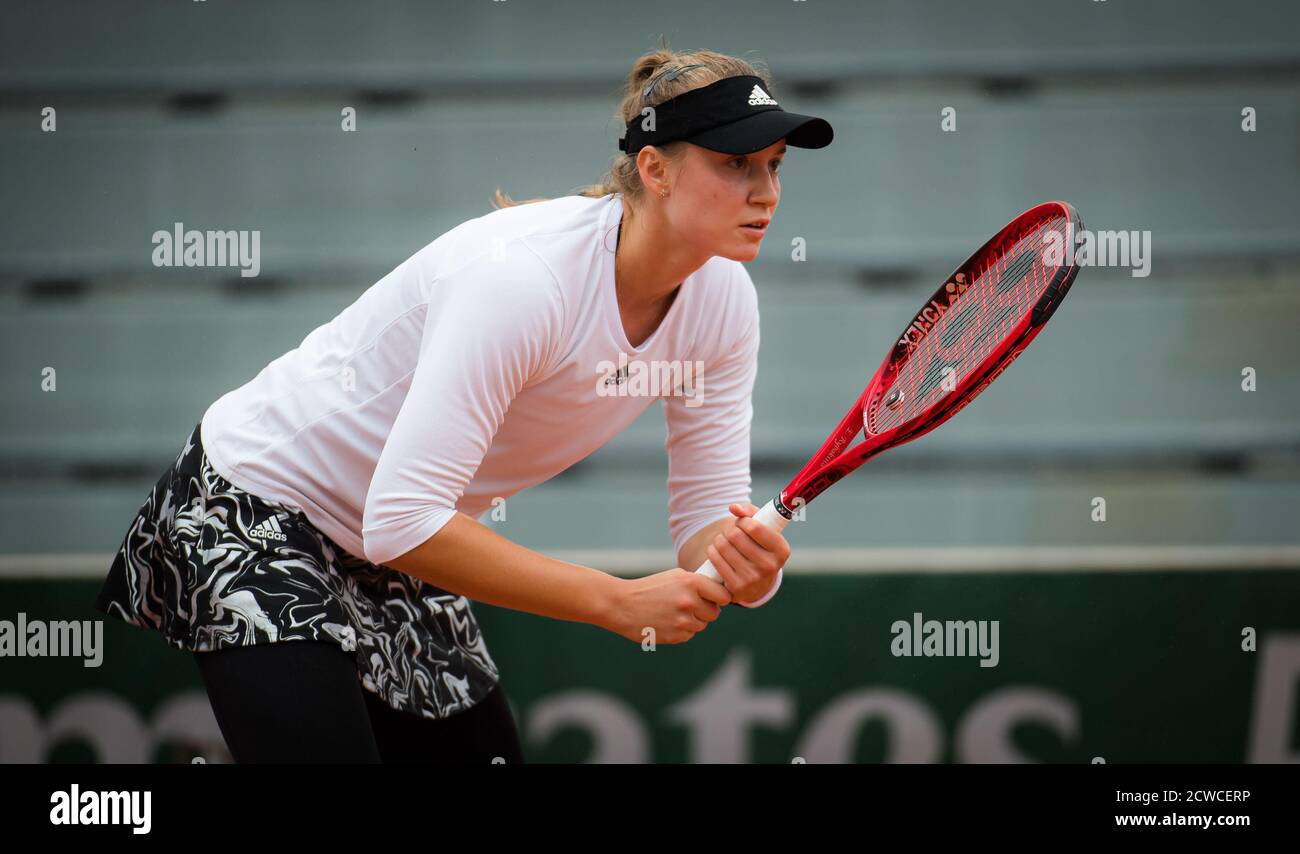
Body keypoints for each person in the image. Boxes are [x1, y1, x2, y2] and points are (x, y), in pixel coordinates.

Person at [94, 45, 834, 764]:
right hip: (255, 507)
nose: (765, 192)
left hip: (401, 548)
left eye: (773, 166)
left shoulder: (726, 304)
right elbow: (402, 519)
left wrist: (746, 568)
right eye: (735, 164)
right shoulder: (523, 282)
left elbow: (706, 520)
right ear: (655, 169)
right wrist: (615, 602)